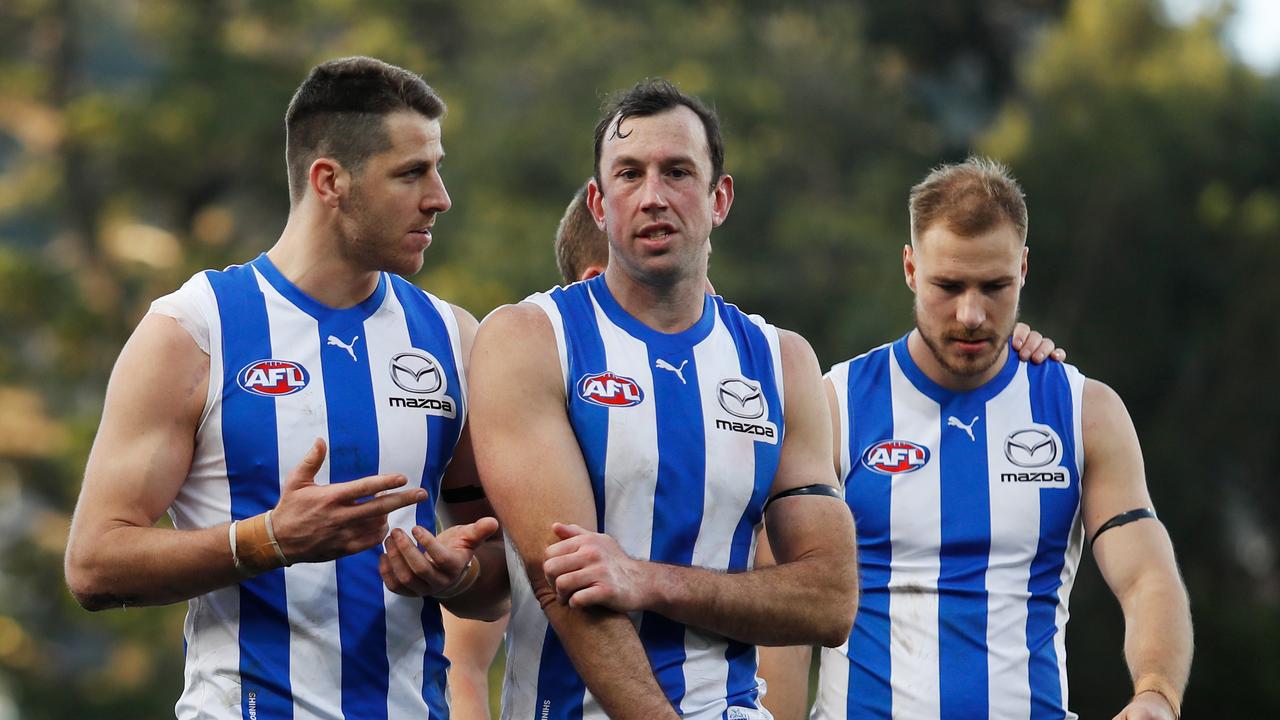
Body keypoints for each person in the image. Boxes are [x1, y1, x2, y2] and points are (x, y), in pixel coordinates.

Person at [63, 56, 508, 719]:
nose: (439, 196)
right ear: (330, 180)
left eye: (437, 168)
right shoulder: (193, 330)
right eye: (412, 173)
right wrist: (269, 539)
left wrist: (458, 574)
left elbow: (497, 575)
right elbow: (94, 565)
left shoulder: (453, 336)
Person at [466, 79, 859, 720]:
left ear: (719, 197)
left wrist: (650, 580)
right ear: (598, 203)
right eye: (629, 174)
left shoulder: (782, 361)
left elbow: (829, 601)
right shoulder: (529, 340)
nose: (652, 197)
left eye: (677, 172)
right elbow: (564, 582)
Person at [804, 157, 1192, 719]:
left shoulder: (1085, 412)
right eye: (948, 285)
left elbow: (1147, 576)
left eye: (994, 286)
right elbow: (784, 612)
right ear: (911, 269)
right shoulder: (835, 405)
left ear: (1024, 270)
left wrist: (1157, 693)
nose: (971, 314)